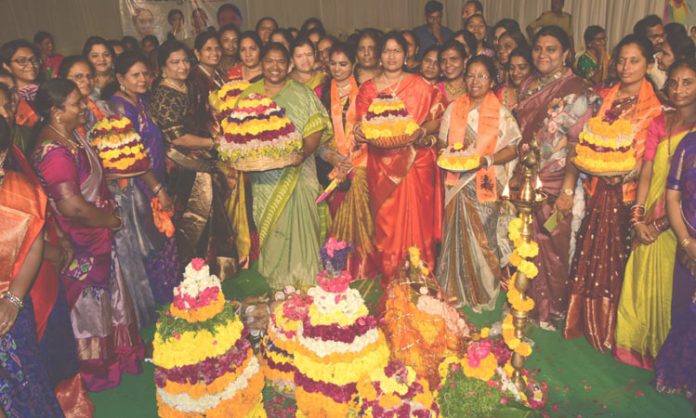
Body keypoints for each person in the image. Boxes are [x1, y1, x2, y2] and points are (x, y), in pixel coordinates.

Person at [32, 79, 144, 391]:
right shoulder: (53, 152)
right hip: (81, 239)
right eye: (76, 104)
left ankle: (117, 356)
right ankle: (96, 371)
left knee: (108, 297)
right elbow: (72, 207)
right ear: (56, 112)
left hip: (97, 235)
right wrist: (110, 221)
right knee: (88, 306)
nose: (84, 107)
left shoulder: (70, 136)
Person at [564, 34, 662, 352]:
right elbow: (584, 139)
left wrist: (626, 172)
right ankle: (584, 318)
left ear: (649, 64)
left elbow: (653, 158)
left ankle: (613, 325)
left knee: (619, 257)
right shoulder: (604, 97)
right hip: (597, 187)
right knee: (591, 252)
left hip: (629, 193)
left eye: (634, 60)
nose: (626, 66)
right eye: (621, 59)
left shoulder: (655, 109)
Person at [615, 58, 696, 369]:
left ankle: (665, 354)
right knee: (640, 277)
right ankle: (635, 346)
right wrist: (638, 217)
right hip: (650, 213)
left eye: (687, 82)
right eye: (673, 82)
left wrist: (664, 223)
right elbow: (647, 168)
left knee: (672, 289)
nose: (678, 89)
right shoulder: (661, 122)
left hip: (682, 223)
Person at [516, 25, 598, 331]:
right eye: (538, 48)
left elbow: (578, 145)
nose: (543, 54)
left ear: (566, 54)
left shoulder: (579, 91)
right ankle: (526, 301)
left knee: (554, 245)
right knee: (523, 239)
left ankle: (550, 308)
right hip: (526, 177)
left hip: (559, 180)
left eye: (551, 49)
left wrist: (566, 189)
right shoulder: (527, 86)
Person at [241, 42, 337, 289]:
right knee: (270, 224)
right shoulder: (248, 96)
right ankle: (276, 279)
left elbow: (315, 129)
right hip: (263, 177)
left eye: (281, 61)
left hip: (299, 171)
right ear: (261, 63)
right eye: (269, 61)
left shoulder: (302, 94)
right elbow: (237, 135)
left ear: (289, 65)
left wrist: (303, 154)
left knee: (303, 222)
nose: (275, 67)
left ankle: (305, 277)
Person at [355, 31, 444, 284]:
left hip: (415, 161)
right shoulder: (368, 89)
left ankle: (420, 274)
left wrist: (421, 131)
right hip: (380, 164)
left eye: (397, 51)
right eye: (387, 51)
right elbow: (360, 124)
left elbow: (437, 118)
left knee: (418, 220)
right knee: (387, 222)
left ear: (406, 56)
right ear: (379, 56)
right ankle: (392, 274)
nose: (392, 56)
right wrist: (359, 132)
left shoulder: (421, 86)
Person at [436, 56, 521, 312]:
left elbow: (514, 148)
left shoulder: (502, 113)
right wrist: (451, 155)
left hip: (485, 181)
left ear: (492, 80)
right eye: (470, 76)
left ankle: (483, 288)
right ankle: (455, 287)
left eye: (481, 76)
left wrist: (487, 159)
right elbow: (442, 143)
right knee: (455, 231)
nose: (475, 81)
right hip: (456, 181)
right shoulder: (453, 109)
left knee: (484, 234)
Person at [147, 40, 237, 279]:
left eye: (185, 60)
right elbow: (177, 138)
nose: (182, 66)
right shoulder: (164, 94)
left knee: (212, 218)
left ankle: (216, 274)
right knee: (194, 221)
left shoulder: (188, 87)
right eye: (175, 62)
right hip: (181, 167)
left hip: (201, 159)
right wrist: (216, 143)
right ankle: (194, 275)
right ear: (163, 67)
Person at [0, 115, 66, 417]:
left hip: (8, 307)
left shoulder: (22, 194)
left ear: (2, 154)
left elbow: (34, 245)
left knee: (23, 382)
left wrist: (13, 299)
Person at [319, 42, 375, 279]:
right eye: (333, 63)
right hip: (329, 163)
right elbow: (315, 134)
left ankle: (361, 265)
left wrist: (353, 158)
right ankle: (337, 262)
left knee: (362, 202)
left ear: (353, 64)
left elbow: (373, 129)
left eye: (343, 64)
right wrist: (332, 157)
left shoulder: (365, 91)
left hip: (361, 161)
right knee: (335, 208)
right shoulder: (319, 93)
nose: (338, 69)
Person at [654, 129, 696, 405]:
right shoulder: (689, 144)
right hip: (691, 244)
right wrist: (686, 242)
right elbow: (673, 197)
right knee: (686, 313)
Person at [0, 40, 42, 152]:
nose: (31, 65)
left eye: (34, 60)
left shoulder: (49, 89)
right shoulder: (8, 101)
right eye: (22, 61)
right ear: (6, 66)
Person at [189, 32, 226, 135]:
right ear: (197, 53)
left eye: (217, 48)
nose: (214, 53)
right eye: (208, 49)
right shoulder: (193, 78)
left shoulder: (220, 74)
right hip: (206, 136)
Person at [634, 15, 666, 89]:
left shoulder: (667, 58)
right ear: (642, 38)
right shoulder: (636, 63)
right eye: (655, 37)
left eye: (662, 36)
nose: (661, 40)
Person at [496, 46, 533, 111]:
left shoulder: (538, 94)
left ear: (532, 68)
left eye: (522, 67)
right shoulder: (502, 92)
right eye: (512, 68)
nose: (515, 73)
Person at [437, 39, 468, 105]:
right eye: (443, 61)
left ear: (465, 62)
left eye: (453, 59)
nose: (447, 64)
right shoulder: (434, 91)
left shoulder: (473, 89)